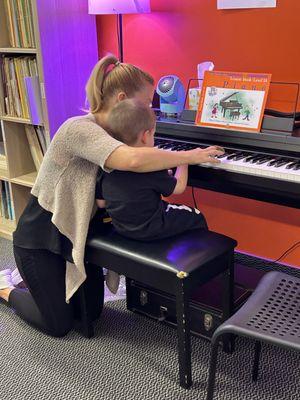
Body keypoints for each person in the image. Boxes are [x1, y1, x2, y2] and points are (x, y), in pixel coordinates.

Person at [0, 55, 224, 337]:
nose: (150, 109)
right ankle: (7, 288)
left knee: (90, 314)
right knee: (58, 325)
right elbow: (132, 161)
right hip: (41, 236)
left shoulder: (121, 132)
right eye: (146, 102)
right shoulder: (78, 128)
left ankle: (42, 286)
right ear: (121, 98)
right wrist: (188, 156)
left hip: (76, 236)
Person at [96, 98, 209, 242]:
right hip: (153, 227)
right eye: (153, 134)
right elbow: (179, 187)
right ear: (145, 136)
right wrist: (184, 158)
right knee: (196, 215)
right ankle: (196, 260)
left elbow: (101, 203)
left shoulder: (107, 163)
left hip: (122, 228)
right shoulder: (150, 166)